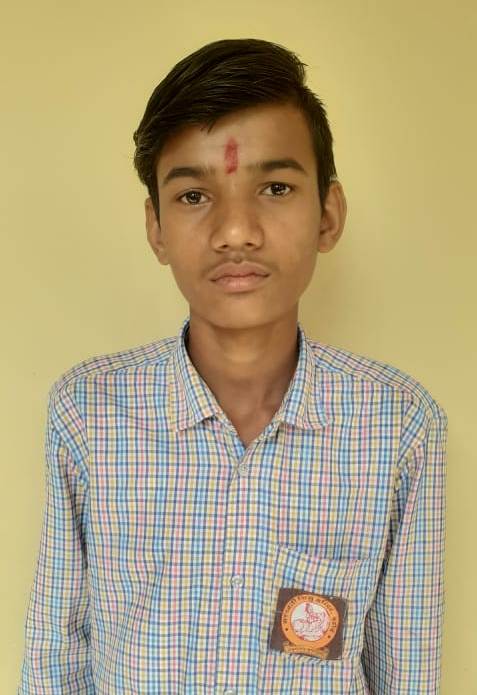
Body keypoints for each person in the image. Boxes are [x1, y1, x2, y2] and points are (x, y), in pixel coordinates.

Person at [18, 38, 448, 694]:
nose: (235, 231)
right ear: (156, 228)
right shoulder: (88, 413)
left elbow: (406, 672)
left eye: (275, 188)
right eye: (194, 196)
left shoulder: (398, 427)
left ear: (328, 215)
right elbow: (55, 658)